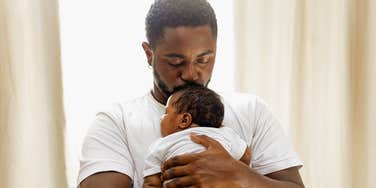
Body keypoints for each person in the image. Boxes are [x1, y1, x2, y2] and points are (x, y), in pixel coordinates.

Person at [78, 0, 305, 187]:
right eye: (176, 61)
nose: (191, 74)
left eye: (203, 60)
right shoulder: (116, 122)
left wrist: (240, 176)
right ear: (149, 54)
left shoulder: (252, 110)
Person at [142, 85, 251, 188]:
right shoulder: (225, 133)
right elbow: (245, 155)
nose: (161, 118)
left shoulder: (162, 144)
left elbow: (151, 183)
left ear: (184, 120)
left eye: (165, 113)